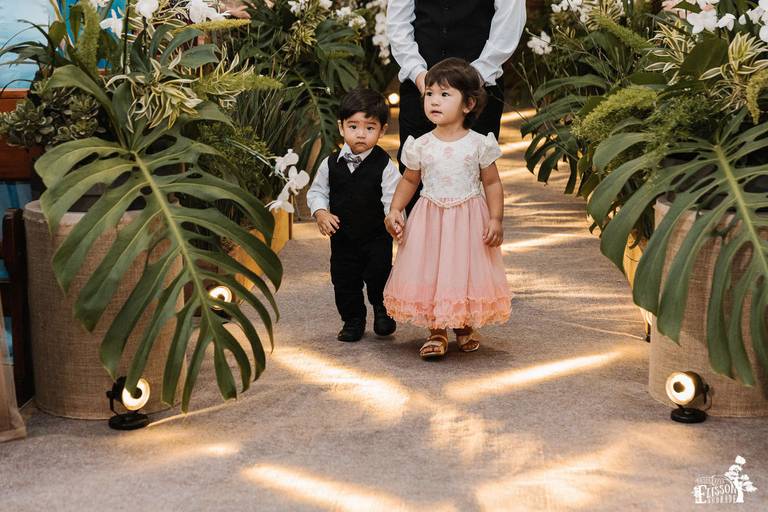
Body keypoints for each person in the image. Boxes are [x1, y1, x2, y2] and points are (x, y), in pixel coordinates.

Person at [383, 58, 510, 359]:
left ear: (468, 104)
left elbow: (492, 183)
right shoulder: (421, 145)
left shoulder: (479, 144)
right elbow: (409, 180)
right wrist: (396, 209)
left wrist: (496, 218)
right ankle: (437, 331)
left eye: (444, 94)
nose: (434, 101)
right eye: (429, 94)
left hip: (468, 219)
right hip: (431, 219)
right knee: (432, 270)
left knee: (463, 270)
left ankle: (463, 324)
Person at [387, 0, 526, 212]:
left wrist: (473, 78)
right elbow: (398, 23)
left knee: (475, 170)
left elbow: (508, 23)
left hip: (479, 87)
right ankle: (419, 232)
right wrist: (419, 74)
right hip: (420, 86)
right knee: (413, 171)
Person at [306, 88, 401, 342]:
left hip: (376, 236)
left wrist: (393, 218)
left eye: (370, 128)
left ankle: (383, 311)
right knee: (344, 280)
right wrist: (321, 212)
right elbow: (317, 191)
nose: (361, 134)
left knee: (379, 275)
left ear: (382, 130)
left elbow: (393, 197)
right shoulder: (330, 163)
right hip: (343, 237)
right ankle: (353, 320)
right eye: (353, 126)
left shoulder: (385, 165)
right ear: (341, 127)